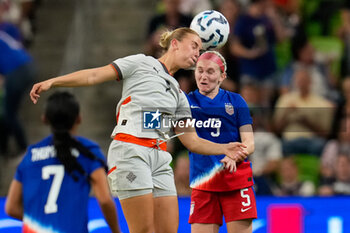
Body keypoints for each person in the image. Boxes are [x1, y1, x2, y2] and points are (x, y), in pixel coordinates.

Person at [29, 27, 247, 233]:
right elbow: (94, 76)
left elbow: (191, 140)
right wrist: (54, 82)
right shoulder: (141, 63)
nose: (197, 53)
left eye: (200, 49)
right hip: (131, 151)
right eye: (194, 46)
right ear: (175, 44)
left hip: (161, 159)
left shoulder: (179, 95)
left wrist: (224, 148)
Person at [5, 91, 121, 233]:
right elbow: (104, 200)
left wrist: (40, 220)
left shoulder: (30, 155)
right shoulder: (88, 151)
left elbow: (11, 207)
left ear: (44, 119)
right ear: (78, 119)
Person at [187, 51, 257, 233]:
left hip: (236, 181)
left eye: (210, 72)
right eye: (199, 70)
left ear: (222, 76)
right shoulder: (185, 102)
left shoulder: (236, 101)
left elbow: (249, 142)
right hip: (203, 183)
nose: (203, 76)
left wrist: (234, 156)